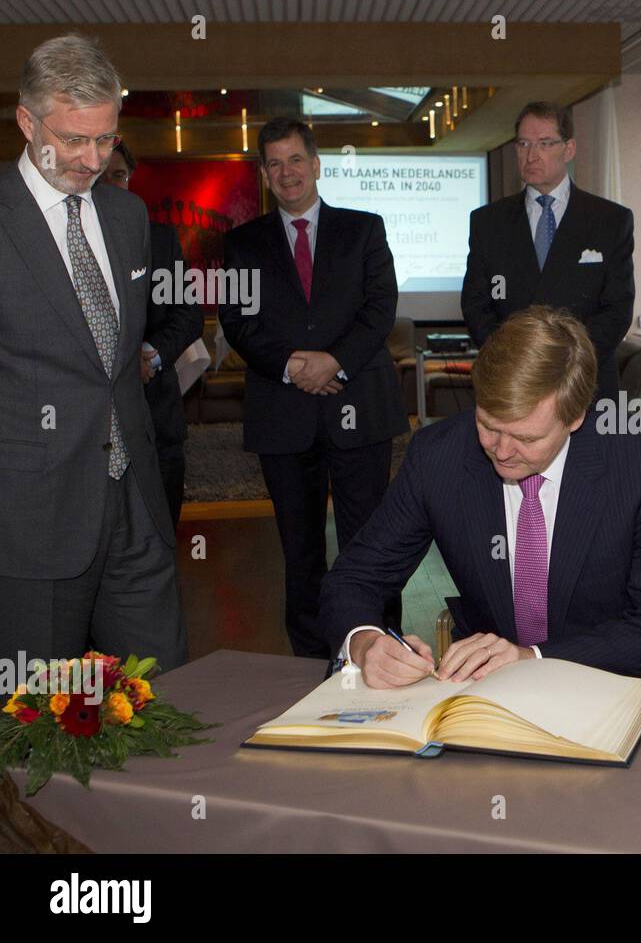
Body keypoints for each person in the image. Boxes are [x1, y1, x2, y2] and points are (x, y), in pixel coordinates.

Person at [320, 307, 641, 692]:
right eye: (489, 426)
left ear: (575, 419)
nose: (502, 452)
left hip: (613, 685)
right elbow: (354, 577)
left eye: (527, 439)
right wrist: (365, 643)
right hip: (490, 694)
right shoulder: (439, 456)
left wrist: (532, 658)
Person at [0, 33, 185, 669]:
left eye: (105, 139)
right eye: (73, 139)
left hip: (134, 500)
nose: (91, 158)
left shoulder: (127, 216)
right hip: (33, 518)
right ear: (27, 122)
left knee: (168, 703)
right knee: (37, 722)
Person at [220, 117, 407, 659]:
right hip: (284, 415)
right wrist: (293, 367)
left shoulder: (365, 229)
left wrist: (334, 363)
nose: (287, 172)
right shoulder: (242, 243)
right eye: (275, 163)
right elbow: (238, 318)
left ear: (316, 164)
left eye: (295, 160)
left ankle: (382, 652)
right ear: (264, 174)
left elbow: (380, 308)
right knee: (299, 552)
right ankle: (307, 666)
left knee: (370, 547)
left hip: (359, 410)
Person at [461, 101, 634, 402]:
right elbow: (476, 304)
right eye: (523, 144)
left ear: (568, 149)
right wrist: (517, 360)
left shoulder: (610, 219)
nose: (531, 155)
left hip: (585, 382)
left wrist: (566, 363)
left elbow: (617, 308)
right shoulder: (488, 221)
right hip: (513, 381)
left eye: (544, 143)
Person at [104, 140, 202, 527]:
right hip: (91, 431)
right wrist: (125, 362)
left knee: (161, 540)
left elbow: (187, 314)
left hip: (156, 419)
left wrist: (150, 355)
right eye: (101, 177)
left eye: (119, 176)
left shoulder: (159, 239)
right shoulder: (65, 240)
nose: (111, 184)